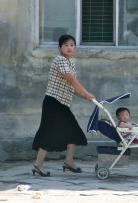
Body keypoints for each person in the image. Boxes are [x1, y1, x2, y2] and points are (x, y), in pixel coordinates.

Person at [32, 35, 95, 177]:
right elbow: (71, 79)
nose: (69, 47)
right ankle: (38, 165)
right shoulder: (60, 60)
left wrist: (85, 96)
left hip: (62, 104)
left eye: (72, 45)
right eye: (66, 45)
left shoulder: (70, 62)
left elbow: (70, 86)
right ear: (60, 48)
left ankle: (68, 161)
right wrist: (86, 92)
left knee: (73, 132)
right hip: (53, 103)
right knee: (48, 133)